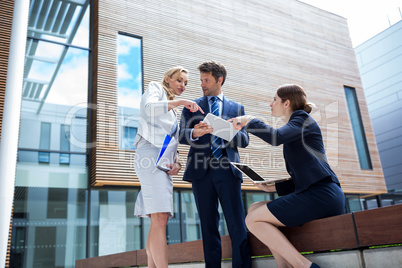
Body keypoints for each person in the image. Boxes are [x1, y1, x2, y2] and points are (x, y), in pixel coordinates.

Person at [229, 84, 346, 268]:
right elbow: (305, 173)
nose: (270, 104)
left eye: (274, 99)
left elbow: (274, 137)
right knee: (254, 209)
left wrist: (249, 119)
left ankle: (304, 266)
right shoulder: (297, 125)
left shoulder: (301, 118)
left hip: (323, 194)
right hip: (317, 193)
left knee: (252, 220)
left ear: (287, 103)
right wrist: (273, 187)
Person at [179, 61, 251, 268]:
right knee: (208, 226)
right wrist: (195, 132)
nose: (202, 84)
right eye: (201, 79)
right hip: (201, 172)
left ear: (219, 80)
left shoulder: (237, 108)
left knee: (237, 224)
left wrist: (225, 130)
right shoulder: (192, 106)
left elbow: (244, 141)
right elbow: (181, 135)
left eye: (206, 80)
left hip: (227, 170)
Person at [134, 66, 203, 268]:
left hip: (163, 163)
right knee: (161, 217)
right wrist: (180, 102)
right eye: (179, 80)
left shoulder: (172, 111)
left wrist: (178, 163)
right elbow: (149, 108)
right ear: (167, 79)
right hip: (149, 156)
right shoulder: (156, 88)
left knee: (157, 218)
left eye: (185, 83)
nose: (182, 85)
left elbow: (175, 141)